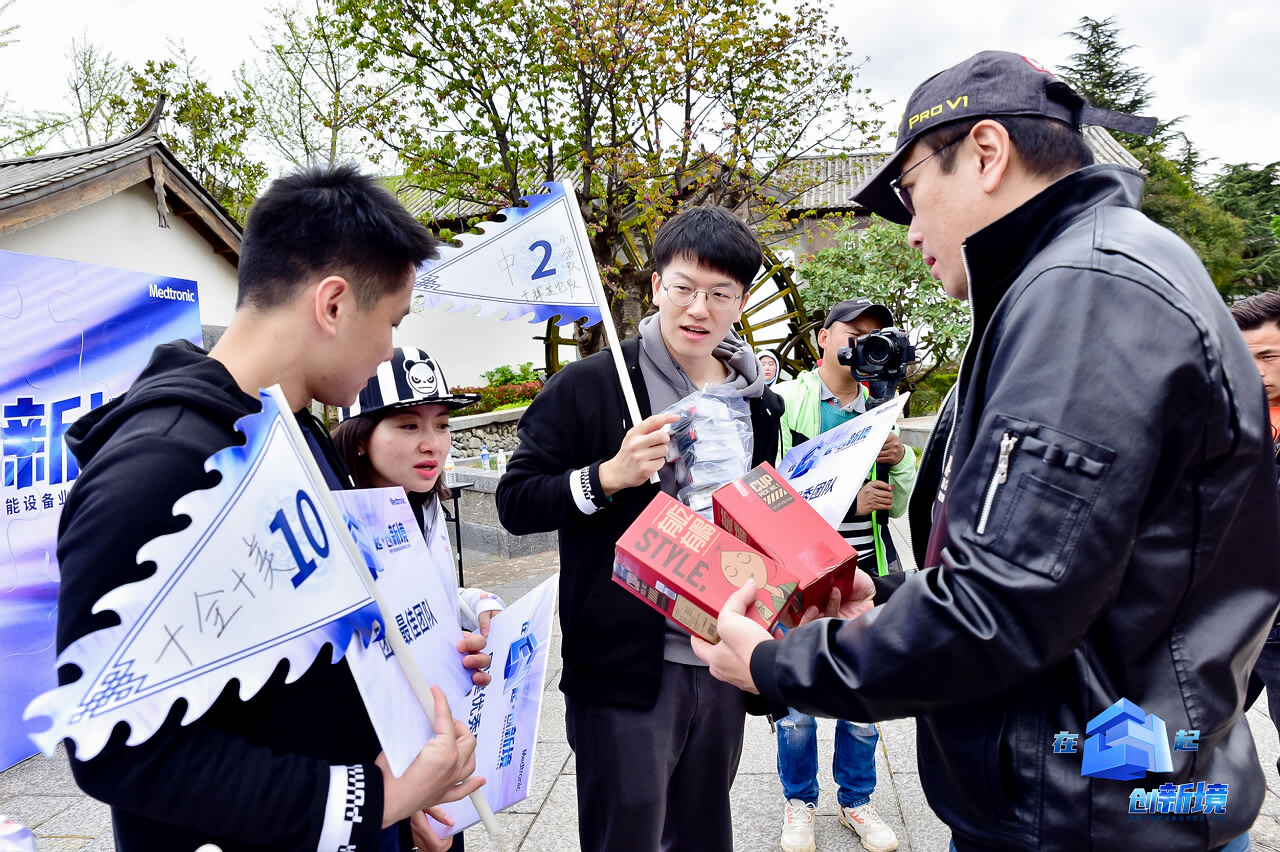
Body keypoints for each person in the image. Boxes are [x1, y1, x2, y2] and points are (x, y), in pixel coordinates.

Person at [694, 51, 1280, 852]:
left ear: (986, 153)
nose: (909, 233)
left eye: (909, 194)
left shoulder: (1086, 292)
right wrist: (898, 595)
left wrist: (780, 664)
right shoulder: (1084, 275)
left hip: (1086, 810)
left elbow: (1003, 608)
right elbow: (1062, 565)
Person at [54, 165, 483, 852]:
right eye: (390, 324)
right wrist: (375, 799)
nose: (388, 352)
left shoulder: (298, 433)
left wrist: (427, 665)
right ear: (334, 305)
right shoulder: (162, 468)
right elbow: (113, 745)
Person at [495, 204, 784, 852]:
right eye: (683, 287)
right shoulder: (592, 386)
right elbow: (515, 502)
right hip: (628, 665)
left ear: (740, 301)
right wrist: (610, 475)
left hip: (721, 657)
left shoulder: (758, 402)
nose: (698, 309)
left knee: (705, 832)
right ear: (656, 285)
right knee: (624, 836)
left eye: (720, 294)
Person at [333, 346, 508, 852]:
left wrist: (477, 604)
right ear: (360, 439)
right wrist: (402, 801)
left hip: (434, 751)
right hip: (379, 773)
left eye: (442, 424)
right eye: (408, 426)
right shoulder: (340, 530)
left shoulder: (425, 505)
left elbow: (428, 600)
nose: (433, 444)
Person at [771, 297, 916, 852]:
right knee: (798, 706)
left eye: (875, 335)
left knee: (862, 702)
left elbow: (897, 504)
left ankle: (855, 801)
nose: (862, 344)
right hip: (800, 578)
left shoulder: (881, 408)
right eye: (852, 333)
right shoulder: (785, 403)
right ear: (824, 338)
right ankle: (799, 801)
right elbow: (768, 493)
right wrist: (844, 506)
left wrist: (898, 459)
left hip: (868, 574)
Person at [1230, 290, 1280, 773]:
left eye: (1268, 356)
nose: (1256, 372)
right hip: (1225, 618)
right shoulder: (1226, 421)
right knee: (1182, 740)